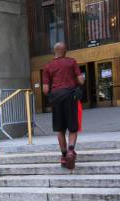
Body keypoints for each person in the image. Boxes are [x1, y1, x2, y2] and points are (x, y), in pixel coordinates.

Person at [42, 42, 85, 170]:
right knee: (73, 126)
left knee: (60, 129)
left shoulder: (47, 66)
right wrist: (75, 81)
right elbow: (81, 80)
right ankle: (71, 150)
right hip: (70, 95)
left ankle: (64, 155)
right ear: (65, 50)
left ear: (54, 51)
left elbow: (45, 89)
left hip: (56, 97)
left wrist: (52, 93)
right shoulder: (72, 62)